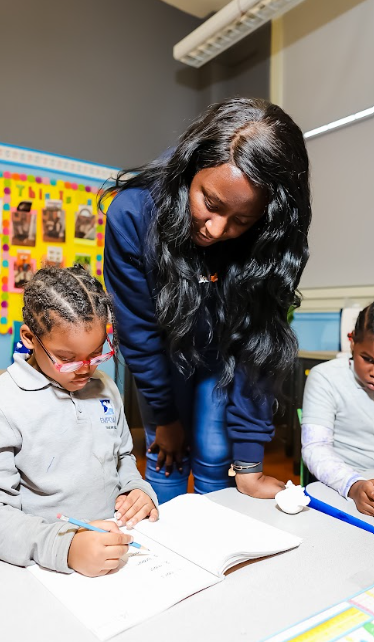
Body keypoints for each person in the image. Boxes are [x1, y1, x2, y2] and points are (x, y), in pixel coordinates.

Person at [102, 97, 312, 504]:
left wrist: (249, 462)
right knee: (167, 455)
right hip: (159, 354)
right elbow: (140, 333)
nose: (217, 230)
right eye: (210, 204)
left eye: (242, 221)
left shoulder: (272, 242)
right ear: (191, 168)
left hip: (225, 354)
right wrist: (164, 420)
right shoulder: (131, 214)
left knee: (217, 453)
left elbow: (259, 346)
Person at [0, 265, 158, 576]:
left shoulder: (105, 387)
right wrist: (65, 547)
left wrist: (136, 489)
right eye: (67, 358)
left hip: (117, 551)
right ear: (29, 338)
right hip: (43, 567)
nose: (85, 369)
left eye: (96, 353)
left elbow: (121, 457)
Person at [302, 303, 374, 515]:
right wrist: (353, 485)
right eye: (368, 359)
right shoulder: (326, 377)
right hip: (347, 485)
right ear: (352, 342)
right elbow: (315, 447)